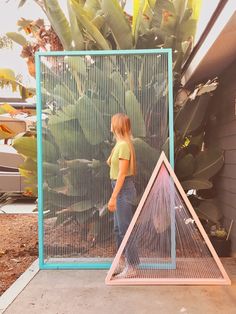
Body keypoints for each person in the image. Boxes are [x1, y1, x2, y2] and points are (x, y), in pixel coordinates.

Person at [107, 113, 139, 278]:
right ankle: (121, 261)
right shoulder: (120, 144)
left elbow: (121, 174)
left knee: (126, 229)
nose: (110, 125)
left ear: (117, 126)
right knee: (119, 228)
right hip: (120, 188)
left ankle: (132, 266)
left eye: (112, 122)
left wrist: (113, 197)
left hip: (123, 189)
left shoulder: (124, 146)